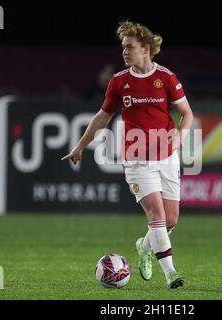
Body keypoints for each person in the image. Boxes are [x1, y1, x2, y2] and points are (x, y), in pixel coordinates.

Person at [62, 20, 194, 289]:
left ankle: (143, 246)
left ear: (145, 49)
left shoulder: (166, 78)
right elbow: (102, 117)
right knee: (156, 215)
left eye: (130, 47)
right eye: (123, 47)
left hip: (167, 157)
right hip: (137, 160)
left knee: (170, 220)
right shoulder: (120, 82)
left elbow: (187, 113)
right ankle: (171, 273)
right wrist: (80, 145)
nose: (124, 52)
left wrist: (181, 135)